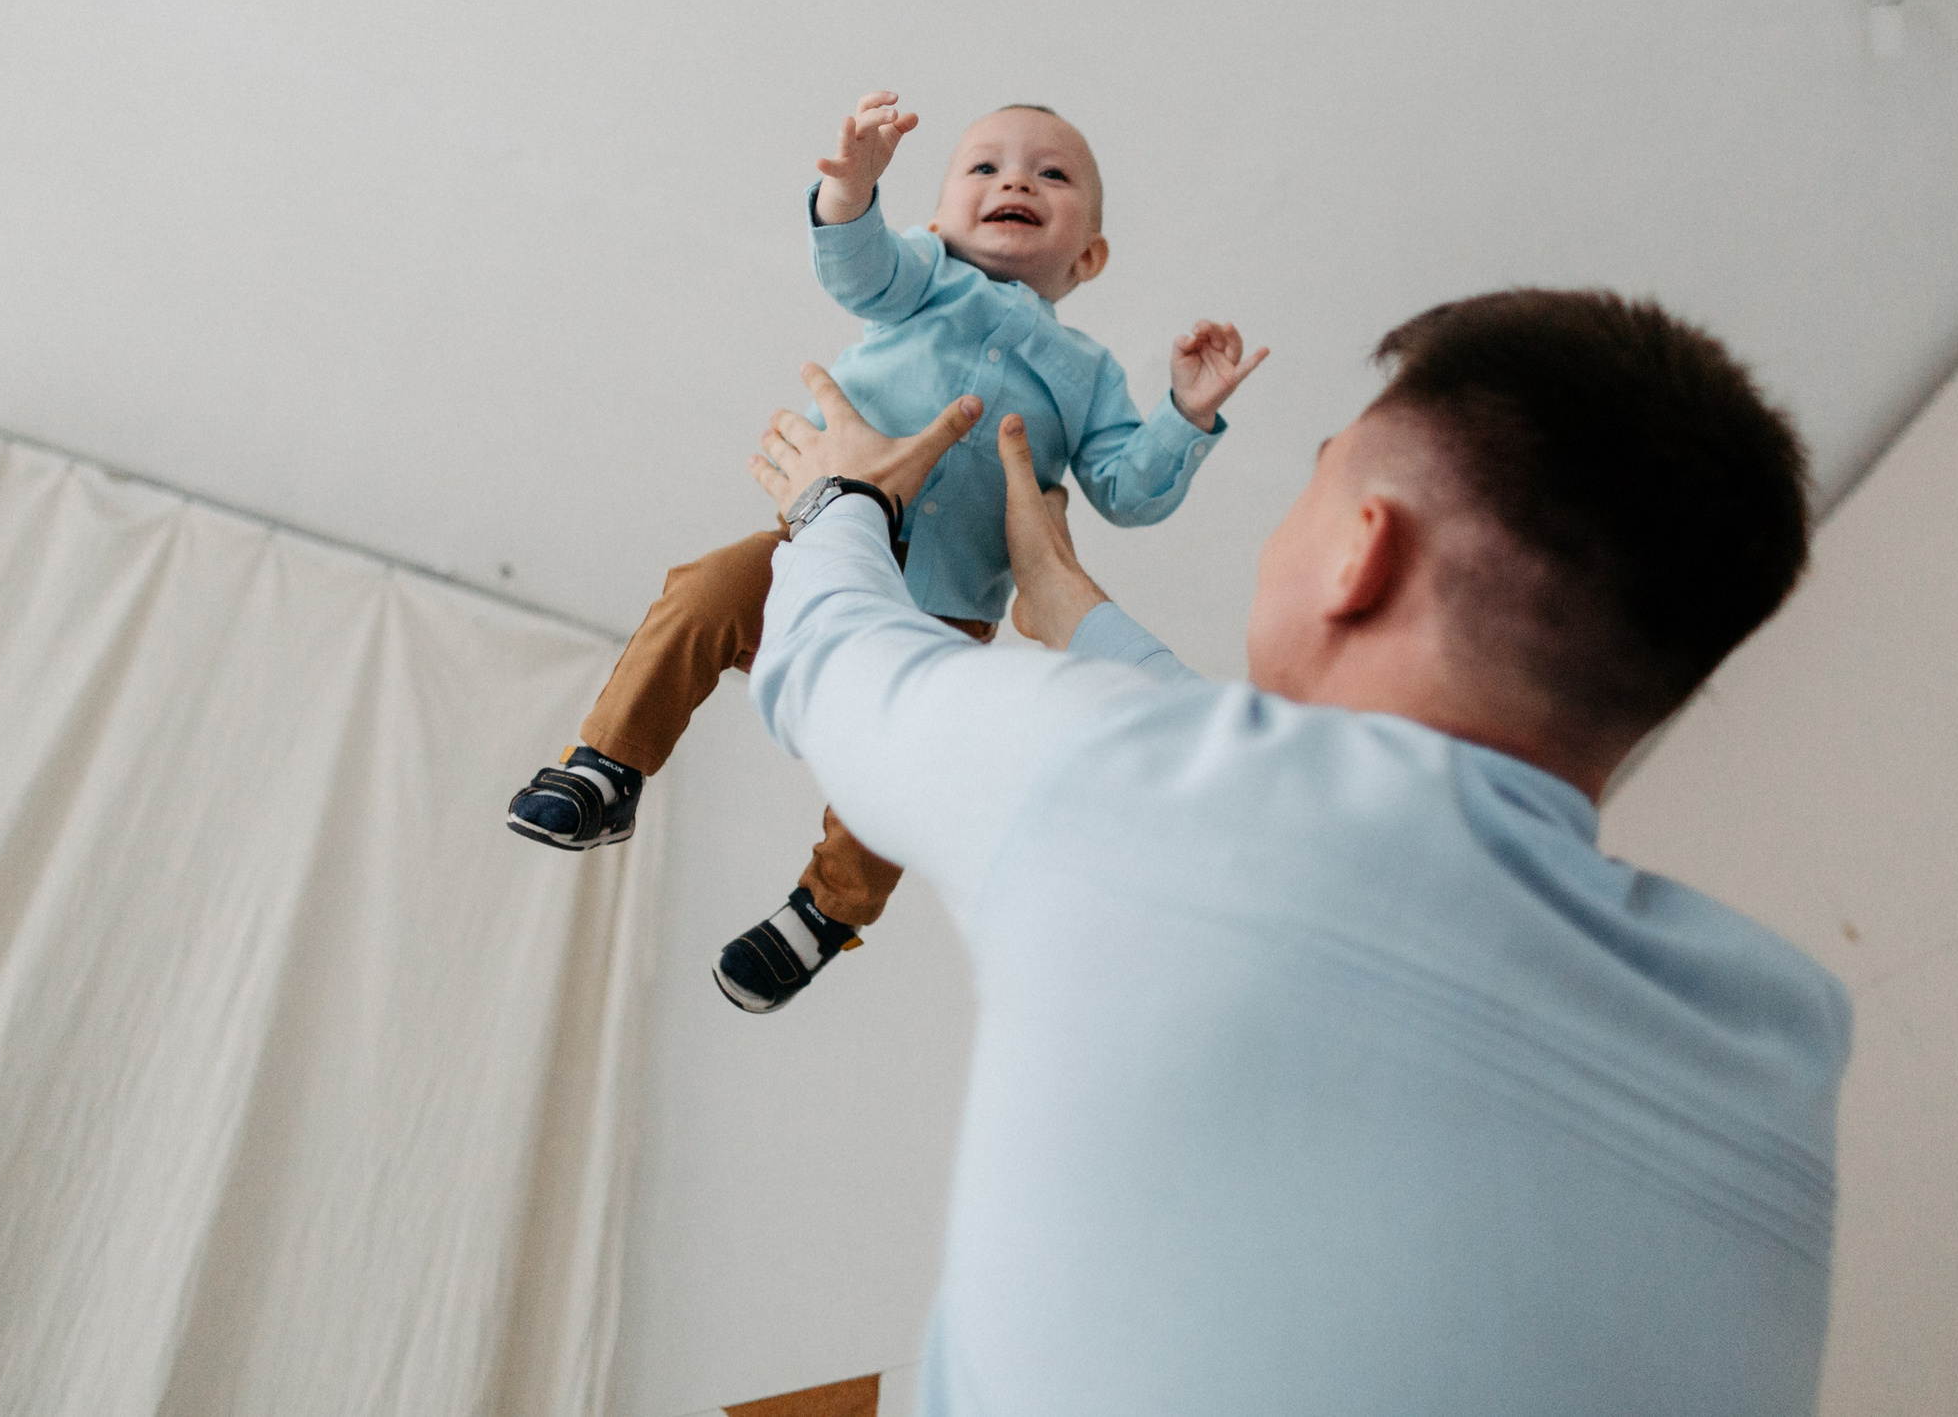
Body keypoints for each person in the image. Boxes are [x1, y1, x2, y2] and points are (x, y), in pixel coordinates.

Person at [743, 290, 1851, 1414]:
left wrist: (840, 497)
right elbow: (1299, 831)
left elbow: (834, 665)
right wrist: (1071, 606)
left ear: (1361, 552)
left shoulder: (1132, 790)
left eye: (1317, 479)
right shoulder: (1772, 1033)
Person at [504, 93, 1267, 1013]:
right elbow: (856, 271)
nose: (1016, 179)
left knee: (920, 759)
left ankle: (826, 910)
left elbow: (1126, 489)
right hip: (816, 545)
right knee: (703, 591)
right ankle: (607, 764)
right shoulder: (924, 276)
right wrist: (852, 192)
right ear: (940, 216)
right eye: (984, 167)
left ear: (1090, 254)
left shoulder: (1093, 375)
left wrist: (1185, 412)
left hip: (944, 612)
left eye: (1051, 174)